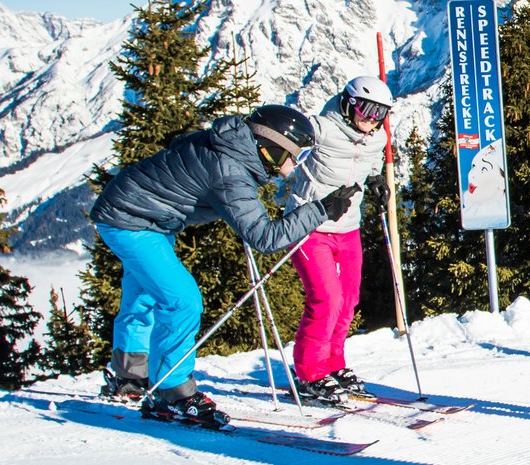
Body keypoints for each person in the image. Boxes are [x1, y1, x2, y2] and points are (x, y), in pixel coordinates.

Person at [91, 104, 361, 429]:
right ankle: (171, 393)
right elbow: (265, 237)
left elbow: (182, 152)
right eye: (288, 158)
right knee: (182, 301)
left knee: (147, 296)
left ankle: (128, 377)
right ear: (268, 146)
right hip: (131, 220)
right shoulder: (231, 171)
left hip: (141, 214)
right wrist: (320, 210)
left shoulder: (225, 143)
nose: (290, 170)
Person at [282, 76, 395, 406]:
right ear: (348, 103)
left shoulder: (376, 137)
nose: (371, 118)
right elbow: (284, 146)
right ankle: (309, 375)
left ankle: (332, 365)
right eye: (366, 108)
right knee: (326, 300)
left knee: (347, 301)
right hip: (309, 226)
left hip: (348, 228)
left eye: (380, 112)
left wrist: (375, 179)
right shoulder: (321, 129)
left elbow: (368, 162)